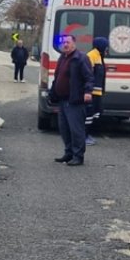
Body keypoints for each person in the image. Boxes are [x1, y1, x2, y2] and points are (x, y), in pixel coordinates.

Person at [51, 34, 93, 166]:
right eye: (63, 43)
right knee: (64, 129)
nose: (65, 45)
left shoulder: (81, 58)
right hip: (62, 100)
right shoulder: (62, 57)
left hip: (75, 100)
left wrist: (87, 92)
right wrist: (53, 91)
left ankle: (78, 156)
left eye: (68, 42)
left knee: (76, 130)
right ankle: (68, 153)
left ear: (74, 44)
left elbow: (89, 77)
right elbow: (57, 76)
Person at [84, 36, 108, 145]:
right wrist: (88, 91)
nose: (107, 50)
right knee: (88, 115)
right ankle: (83, 136)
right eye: (106, 47)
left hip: (97, 92)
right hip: (91, 92)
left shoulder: (99, 56)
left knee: (94, 114)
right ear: (101, 47)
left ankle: (87, 134)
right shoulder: (92, 56)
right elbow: (88, 75)